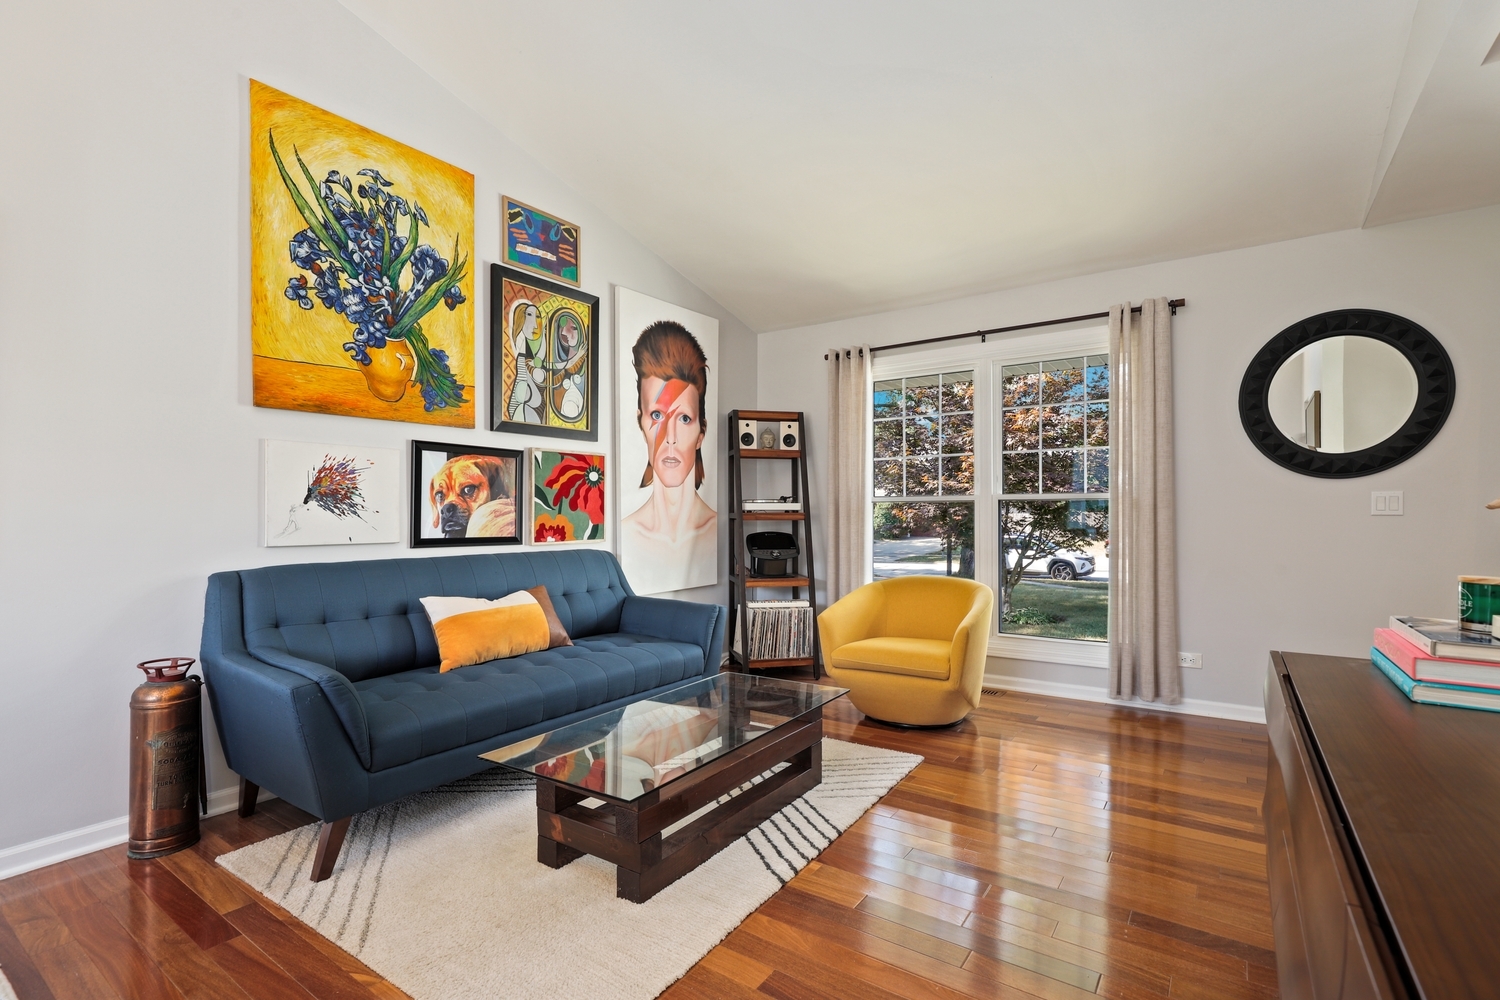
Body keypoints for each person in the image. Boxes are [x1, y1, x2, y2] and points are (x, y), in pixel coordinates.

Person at [620, 321, 716, 593]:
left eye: (684, 418)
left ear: (701, 433)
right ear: (642, 424)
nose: (670, 436)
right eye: (658, 416)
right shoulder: (626, 533)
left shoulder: (718, 530)